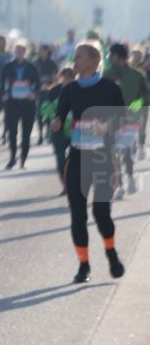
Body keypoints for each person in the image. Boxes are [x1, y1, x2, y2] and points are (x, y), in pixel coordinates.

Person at [51, 41, 126, 283]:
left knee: (102, 213)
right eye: (74, 57)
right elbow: (59, 118)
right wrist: (56, 123)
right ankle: (83, 266)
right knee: (78, 215)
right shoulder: (69, 90)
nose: (75, 61)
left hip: (103, 159)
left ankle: (111, 252)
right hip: (77, 159)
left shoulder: (110, 89)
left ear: (95, 60)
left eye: (80, 57)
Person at [104, 43, 148, 196]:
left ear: (118, 56)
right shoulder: (107, 74)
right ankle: (119, 185)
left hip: (130, 120)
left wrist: (138, 103)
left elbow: (147, 94)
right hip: (110, 119)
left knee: (127, 152)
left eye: (111, 54)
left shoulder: (137, 75)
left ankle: (130, 177)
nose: (109, 57)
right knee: (112, 153)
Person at [0, 40, 42, 169]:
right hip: (12, 102)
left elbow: (37, 83)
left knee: (26, 133)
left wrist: (33, 93)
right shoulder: (8, 66)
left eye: (22, 51)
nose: (19, 53)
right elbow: (0, 82)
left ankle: (23, 159)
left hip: (27, 102)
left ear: (25, 52)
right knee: (12, 132)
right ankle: (12, 157)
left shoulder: (31, 67)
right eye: (17, 51)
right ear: (14, 52)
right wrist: (3, 94)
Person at [43, 67, 76, 195]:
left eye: (70, 77)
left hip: (76, 131)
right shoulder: (54, 91)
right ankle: (65, 186)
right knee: (61, 161)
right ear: (60, 77)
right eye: (65, 77)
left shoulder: (80, 90)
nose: (67, 80)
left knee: (74, 160)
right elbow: (43, 108)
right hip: (58, 130)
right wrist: (55, 115)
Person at [33, 44, 59, 144]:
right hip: (39, 91)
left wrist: (51, 85)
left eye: (43, 50)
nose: (42, 52)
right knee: (39, 114)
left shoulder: (52, 63)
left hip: (50, 91)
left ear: (47, 52)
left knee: (48, 112)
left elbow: (56, 77)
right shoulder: (35, 63)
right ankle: (40, 135)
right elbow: (32, 77)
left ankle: (48, 133)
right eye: (40, 50)